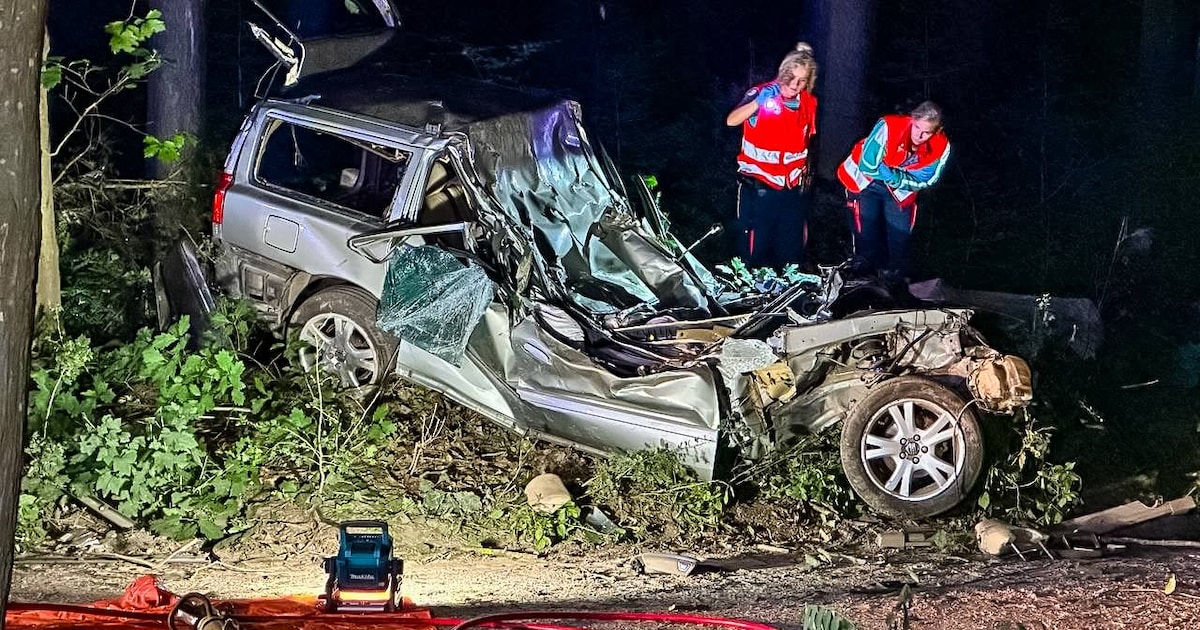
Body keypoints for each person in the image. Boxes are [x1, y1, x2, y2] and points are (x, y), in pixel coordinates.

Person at [726, 42, 819, 270]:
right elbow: (732, 120)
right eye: (791, 78)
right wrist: (757, 103)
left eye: (802, 81)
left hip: (791, 191)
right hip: (758, 190)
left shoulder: (809, 103)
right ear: (783, 73)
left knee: (791, 254)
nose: (795, 85)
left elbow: (808, 141)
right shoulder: (761, 94)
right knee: (753, 254)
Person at [837, 101, 951, 284]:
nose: (919, 135)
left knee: (899, 234)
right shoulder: (889, 126)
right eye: (916, 127)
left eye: (926, 132)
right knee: (865, 228)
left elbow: (926, 180)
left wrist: (894, 177)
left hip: (900, 190)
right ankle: (862, 271)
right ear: (911, 120)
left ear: (936, 131)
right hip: (865, 182)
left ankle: (896, 277)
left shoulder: (941, 146)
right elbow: (868, 163)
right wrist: (896, 175)